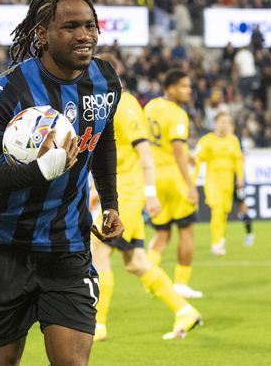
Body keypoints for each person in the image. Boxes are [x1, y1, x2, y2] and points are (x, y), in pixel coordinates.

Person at [0, 0, 124, 366]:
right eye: (70, 27)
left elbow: (103, 138)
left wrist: (110, 203)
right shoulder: (10, 88)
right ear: (42, 34)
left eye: (90, 26)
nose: (84, 35)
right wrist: (39, 171)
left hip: (68, 247)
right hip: (6, 248)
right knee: (2, 362)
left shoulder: (105, 80)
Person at [90, 53, 202, 342]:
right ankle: (185, 311)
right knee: (136, 262)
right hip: (118, 192)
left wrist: (150, 193)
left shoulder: (125, 105)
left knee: (98, 249)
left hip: (127, 194)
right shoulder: (103, 104)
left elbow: (144, 151)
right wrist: (96, 190)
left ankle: (97, 326)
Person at [144, 69, 203, 299]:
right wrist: (190, 185)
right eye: (184, 86)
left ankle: (150, 280)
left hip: (155, 178)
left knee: (162, 234)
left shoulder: (151, 106)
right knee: (186, 231)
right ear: (170, 88)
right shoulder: (178, 114)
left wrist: (186, 155)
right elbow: (177, 149)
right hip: (175, 179)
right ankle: (181, 284)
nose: (189, 91)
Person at [193, 113, 253, 255]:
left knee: (224, 211)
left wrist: (240, 178)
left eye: (227, 122)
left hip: (228, 181)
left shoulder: (233, 141)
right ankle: (216, 243)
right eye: (222, 121)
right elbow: (197, 160)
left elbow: (238, 160)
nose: (225, 124)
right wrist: (192, 179)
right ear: (216, 123)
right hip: (213, 180)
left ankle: (220, 238)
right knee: (217, 209)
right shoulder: (206, 141)